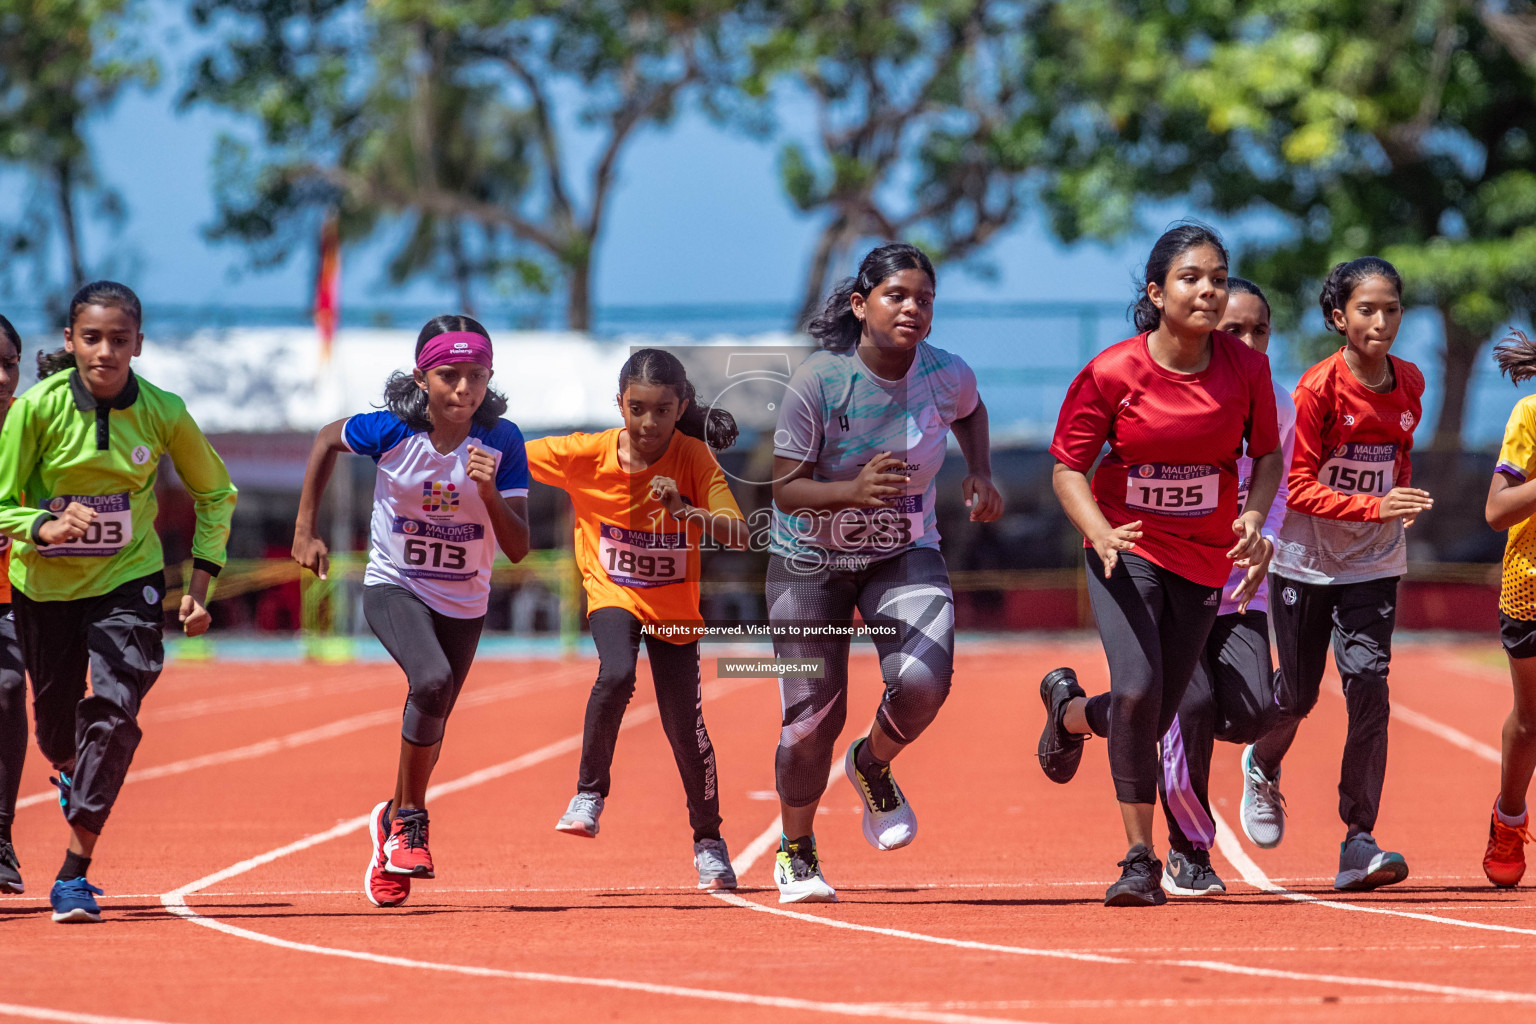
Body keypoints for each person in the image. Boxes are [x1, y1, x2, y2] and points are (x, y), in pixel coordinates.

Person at [1037, 224, 1281, 907]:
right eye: (1192, 277)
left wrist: (1254, 517)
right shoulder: (1114, 371)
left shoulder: (1247, 368)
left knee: (1158, 708)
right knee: (1142, 689)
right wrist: (1101, 531)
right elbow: (1067, 468)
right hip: (1128, 547)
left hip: (1205, 559)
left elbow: (1266, 459)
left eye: (1218, 277)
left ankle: (1071, 714)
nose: (1208, 289)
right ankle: (1141, 858)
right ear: (1157, 291)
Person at [767, 242, 1004, 904]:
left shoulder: (945, 373)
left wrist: (979, 469)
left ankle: (872, 765)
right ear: (860, 303)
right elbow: (784, 490)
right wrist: (850, 491)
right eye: (897, 295)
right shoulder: (818, 381)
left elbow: (972, 409)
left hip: (903, 550)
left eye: (924, 299)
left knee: (925, 682)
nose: (912, 308)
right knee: (812, 717)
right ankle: (797, 850)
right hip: (809, 559)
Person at [0, 282, 237, 923]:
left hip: (128, 584)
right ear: (71, 341)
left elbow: (218, 492)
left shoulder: (162, 411)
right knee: (55, 729)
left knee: (116, 710)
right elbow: (0, 500)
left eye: (120, 339)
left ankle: (74, 873)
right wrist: (41, 526)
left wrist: (201, 584)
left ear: (139, 344)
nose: (105, 352)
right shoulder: (38, 410)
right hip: (43, 589)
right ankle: (74, 768)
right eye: (92, 338)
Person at [292, 315, 530, 909]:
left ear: (489, 377)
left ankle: (391, 833)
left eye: (475, 377)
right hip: (395, 585)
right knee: (431, 680)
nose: (463, 390)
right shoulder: (392, 431)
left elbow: (520, 547)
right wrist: (305, 529)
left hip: (464, 601)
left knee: (433, 709)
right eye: (449, 376)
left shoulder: (502, 442)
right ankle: (411, 823)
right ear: (424, 377)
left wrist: (490, 493)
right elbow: (326, 438)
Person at [1240, 256, 1431, 891]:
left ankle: (1359, 839)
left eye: (1392, 309)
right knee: (1297, 695)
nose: (1381, 321)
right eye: (1367, 310)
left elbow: (1395, 457)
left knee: (1369, 686)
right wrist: (1375, 502)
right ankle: (1264, 762)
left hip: (1373, 562)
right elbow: (1294, 487)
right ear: (1338, 318)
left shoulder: (1411, 383)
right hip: (1306, 561)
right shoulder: (1317, 391)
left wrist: (1396, 502)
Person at [525, 348, 747, 890]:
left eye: (663, 411)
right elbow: (507, 452)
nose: (649, 424)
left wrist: (686, 513)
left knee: (684, 729)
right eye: (637, 409)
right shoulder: (583, 454)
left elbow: (739, 533)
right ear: (618, 405)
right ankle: (589, 793)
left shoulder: (693, 458)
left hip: (674, 609)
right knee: (616, 672)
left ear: (681, 408)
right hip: (613, 593)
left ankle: (709, 841)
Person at [1155, 278, 1295, 896]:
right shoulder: (1171, 393)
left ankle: (1076, 713)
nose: (1246, 340)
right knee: (1188, 707)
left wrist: (1266, 541)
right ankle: (1190, 850)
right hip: (1173, 577)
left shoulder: (1279, 404)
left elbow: (1282, 488)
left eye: (1259, 330)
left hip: (1242, 586)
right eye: (1233, 329)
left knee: (1252, 711)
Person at [1480, 329, 1536, 887]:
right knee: (1531, 721)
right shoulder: (1530, 413)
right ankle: (1509, 817)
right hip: (1532, 589)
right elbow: (1497, 511)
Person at [0, 314, 24, 894]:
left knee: (5, 692)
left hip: (11, 596)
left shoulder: (33, 426)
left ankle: (0, 837)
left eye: (9, 363)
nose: (2, 378)